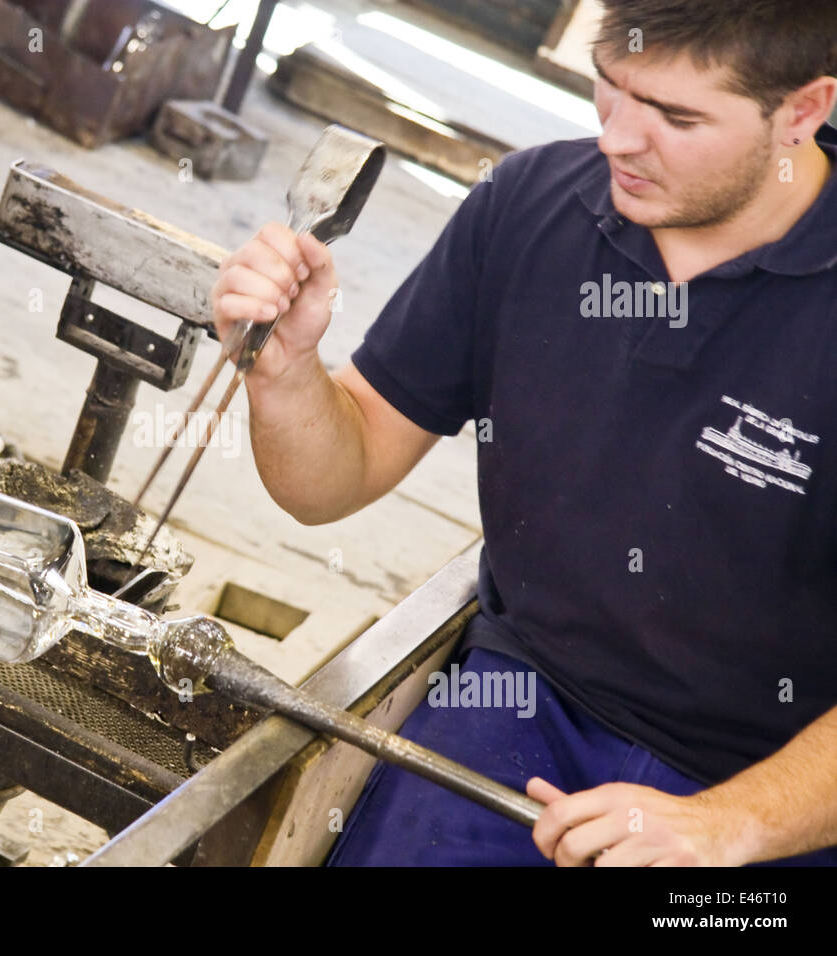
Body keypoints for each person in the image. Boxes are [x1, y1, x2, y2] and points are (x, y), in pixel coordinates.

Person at [210, 0, 837, 866]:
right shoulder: (530, 204)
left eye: (677, 117)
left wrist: (733, 825)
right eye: (610, 90)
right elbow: (332, 480)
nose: (619, 139)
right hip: (522, 699)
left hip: (785, 780)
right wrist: (284, 373)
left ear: (802, 113)